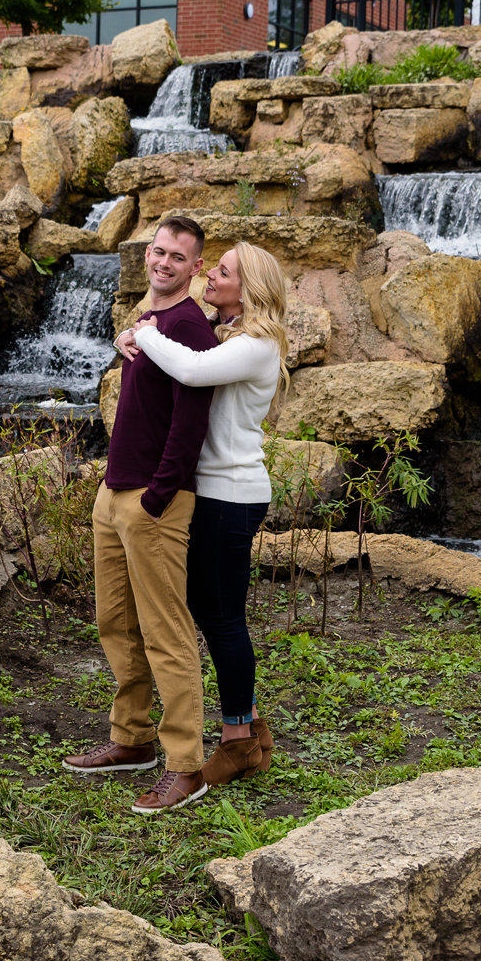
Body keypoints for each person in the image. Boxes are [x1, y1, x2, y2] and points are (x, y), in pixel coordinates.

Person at [117, 240, 292, 786]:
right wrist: (132, 336)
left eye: (222, 270)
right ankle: (251, 724)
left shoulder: (258, 344)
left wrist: (142, 329)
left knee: (222, 619)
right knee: (213, 611)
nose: (209, 275)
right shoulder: (231, 335)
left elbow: (190, 372)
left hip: (230, 495)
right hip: (220, 493)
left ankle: (238, 738)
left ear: (250, 288)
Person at [63, 215, 218, 816]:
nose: (164, 263)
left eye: (178, 257)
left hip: (154, 502)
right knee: (116, 623)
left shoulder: (189, 330)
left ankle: (185, 766)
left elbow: (190, 424)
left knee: (165, 633)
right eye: (158, 251)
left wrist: (159, 494)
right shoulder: (150, 320)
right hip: (114, 493)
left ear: (194, 268)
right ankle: (131, 739)